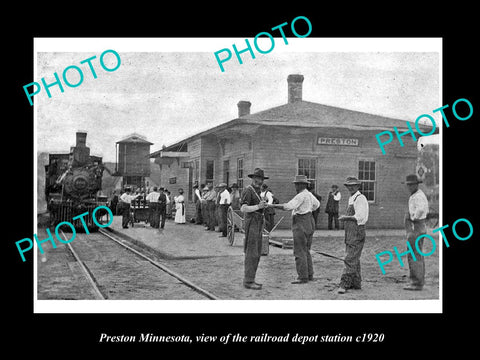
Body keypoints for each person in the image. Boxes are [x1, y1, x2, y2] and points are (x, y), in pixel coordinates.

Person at [271, 175, 320, 284]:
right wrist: (308, 209)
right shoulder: (310, 194)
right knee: (306, 249)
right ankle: (309, 274)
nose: (295, 186)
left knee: (299, 250)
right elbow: (317, 205)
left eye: (296, 184)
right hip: (309, 221)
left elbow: (288, 206)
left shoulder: (300, 196)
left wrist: (271, 206)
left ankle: (302, 277)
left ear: (301, 185)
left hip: (300, 222)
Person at [337, 176, 369, 294]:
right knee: (354, 256)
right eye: (348, 186)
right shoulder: (352, 198)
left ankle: (344, 283)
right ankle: (356, 282)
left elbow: (360, 216)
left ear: (357, 186)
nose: (350, 188)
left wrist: (346, 218)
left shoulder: (360, 198)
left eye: (353, 186)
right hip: (350, 231)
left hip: (357, 231)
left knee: (350, 257)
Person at [240, 168, 269, 290]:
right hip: (251, 222)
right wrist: (258, 206)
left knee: (257, 252)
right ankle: (248, 281)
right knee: (251, 252)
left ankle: (252, 279)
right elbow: (243, 208)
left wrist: (263, 205)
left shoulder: (258, 192)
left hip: (258, 222)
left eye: (261, 179)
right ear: (253, 179)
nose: (259, 181)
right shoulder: (248, 190)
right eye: (257, 179)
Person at [403, 174, 429, 291]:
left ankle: (416, 282)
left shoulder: (418, 196)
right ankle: (416, 280)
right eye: (408, 185)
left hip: (416, 227)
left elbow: (422, 209)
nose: (409, 187)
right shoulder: (415, 195)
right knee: (415, 254)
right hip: (417, 227)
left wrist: (413, 217)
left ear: (416, 184)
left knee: (414, 254)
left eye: (412, 184)